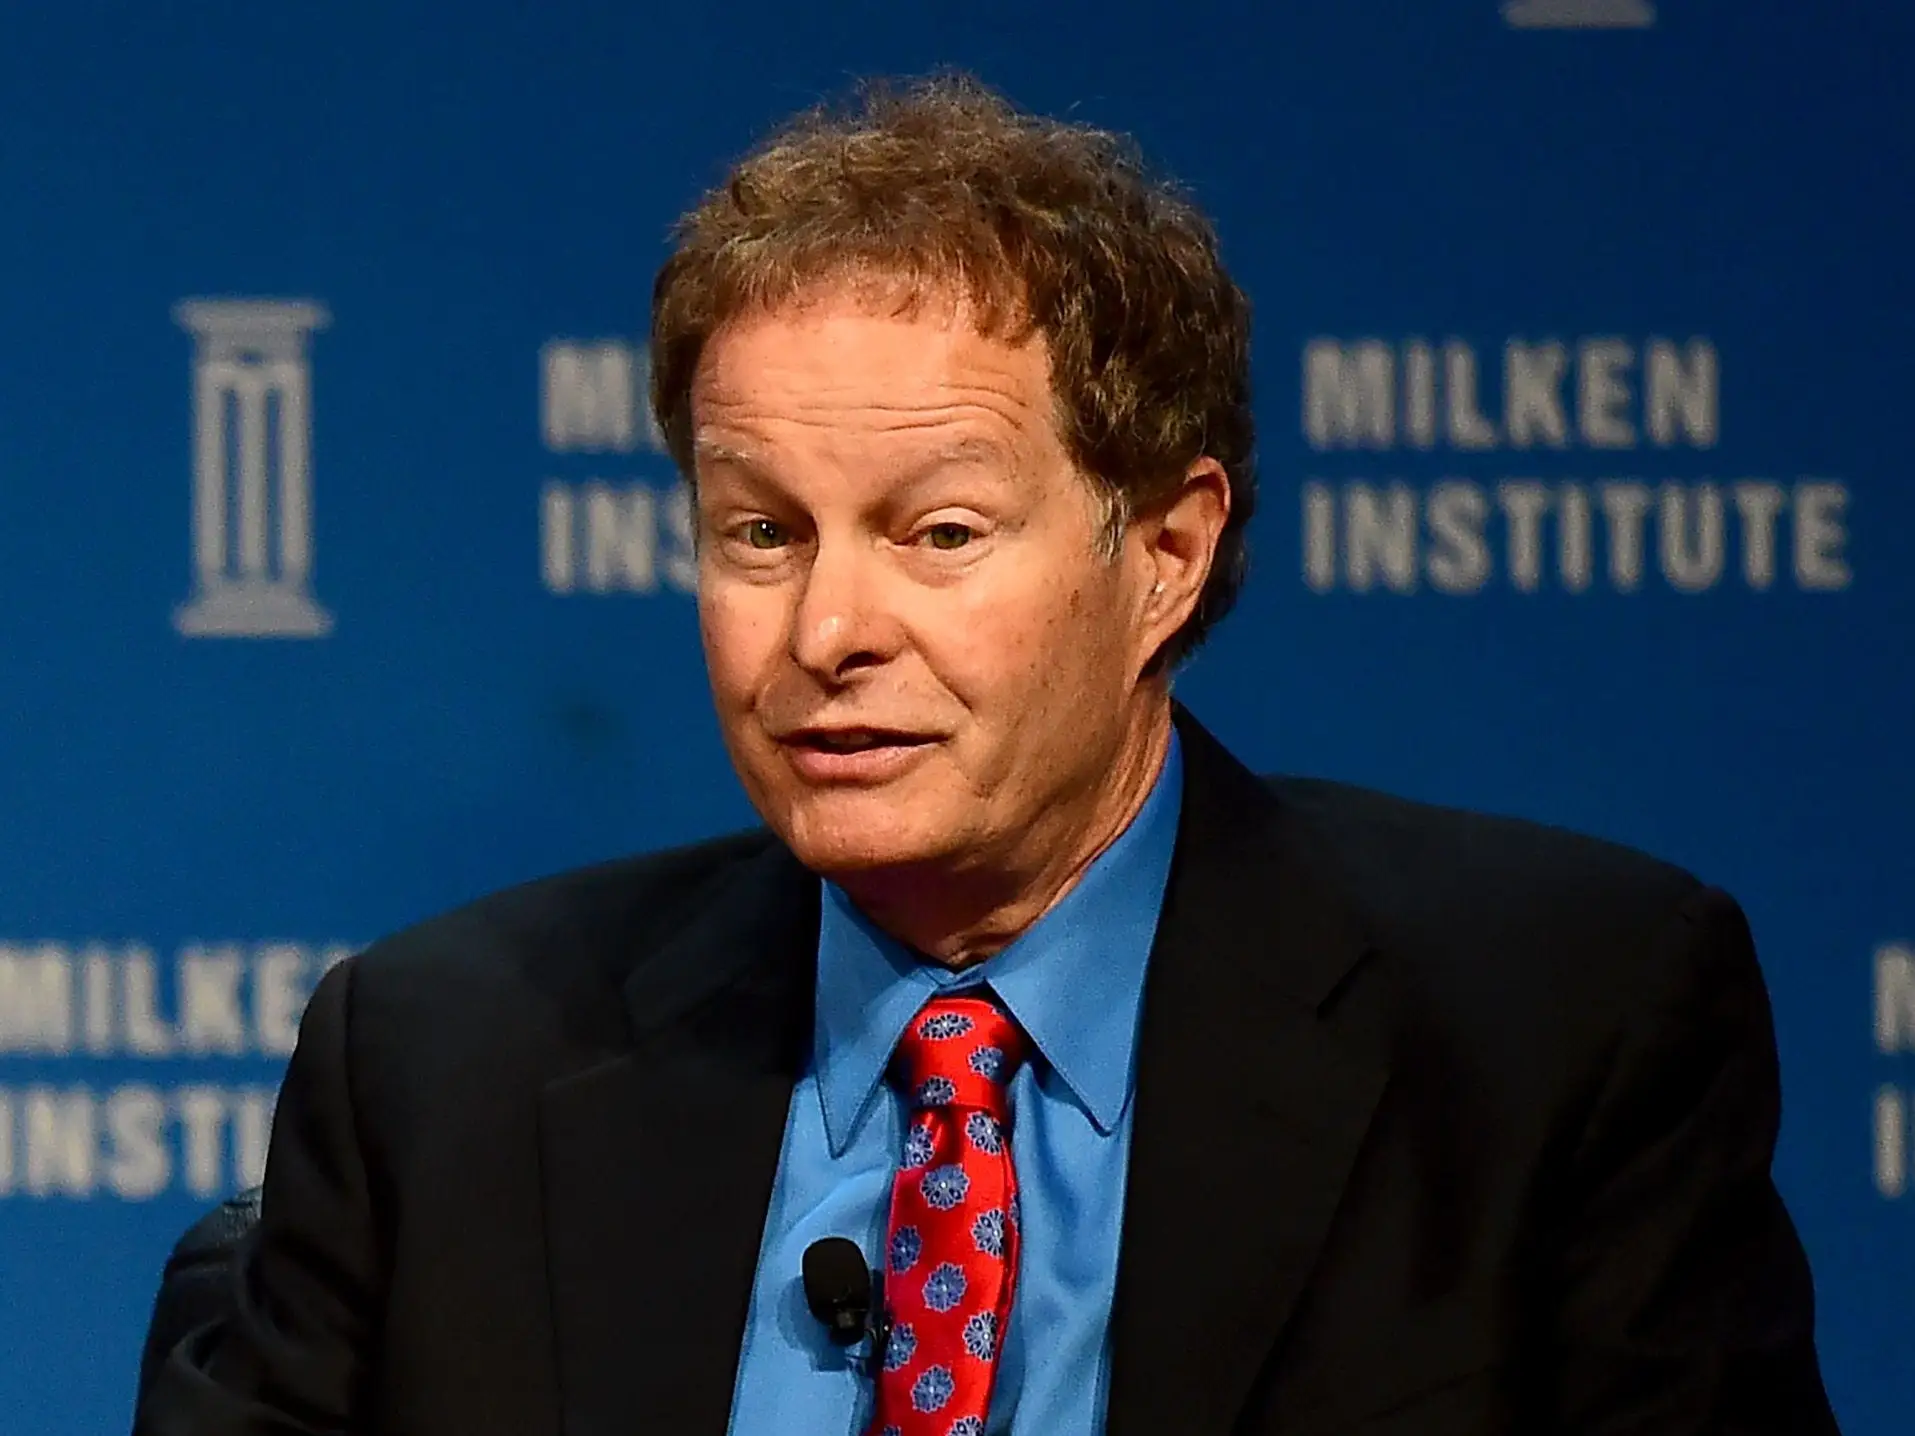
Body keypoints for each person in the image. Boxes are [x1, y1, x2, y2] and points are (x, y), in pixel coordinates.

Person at [138, 74, 1840, 1436]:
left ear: (1160, 554)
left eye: (938, 532)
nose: (826, 631)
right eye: (758, 535)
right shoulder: (442, 1067)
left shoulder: (1552, 1033)